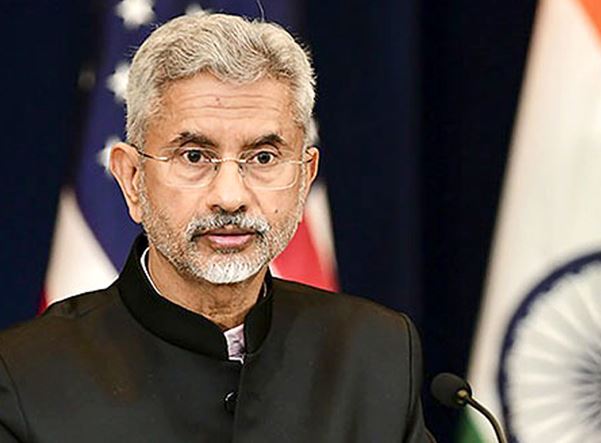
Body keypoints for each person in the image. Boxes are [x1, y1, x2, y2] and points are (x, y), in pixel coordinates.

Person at [0, 12, 433, 442]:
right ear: (132, 179)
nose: (229, 196)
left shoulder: (377, 354)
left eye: (263, 157)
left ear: (304, 178)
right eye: (194, 156)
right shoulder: (23, 377)